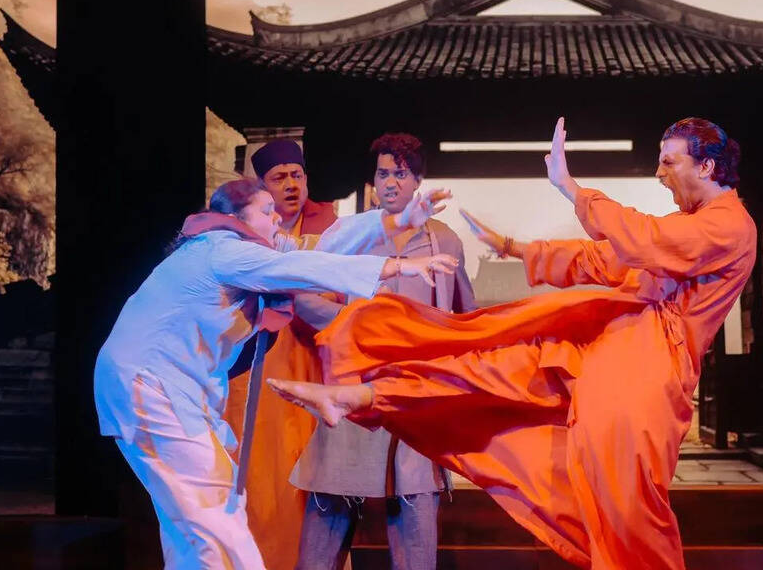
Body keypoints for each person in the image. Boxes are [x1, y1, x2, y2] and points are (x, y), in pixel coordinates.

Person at [269, 117, 758, 570]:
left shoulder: (727, 225)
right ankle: (364, 395)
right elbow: (604, 259)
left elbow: (643, 240)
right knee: (488, 364)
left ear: (706, 166)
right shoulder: (690, 227)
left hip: (644, 376)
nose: (659, 173)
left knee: (627, 509)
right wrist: (512, 247)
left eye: (669, 162)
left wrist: (570, 187)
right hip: (608, 349)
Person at [94, 177, 457, 570]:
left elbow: (321, 248)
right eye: (267, 212)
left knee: (195, 518)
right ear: (238, 218)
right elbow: (300, 265)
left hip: (164, 388)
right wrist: (396, 266)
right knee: (215, 508)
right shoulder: (224, 251)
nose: (277, 219)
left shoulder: (236, 249)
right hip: (150, 386)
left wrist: (397, 221)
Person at [290, 133, 477, 570]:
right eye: (383, 173)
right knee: (326, 520)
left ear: (418, 180)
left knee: (415, 517)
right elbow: (302, 295)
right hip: (351, 392)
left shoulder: (444, 241)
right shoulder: (353, 234)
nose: (390, 183)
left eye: (401, 174)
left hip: (413, 397)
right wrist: (353, 323)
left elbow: (465, 317)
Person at [232, 137, 340, 570]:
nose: (292, 185)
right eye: (279, 178)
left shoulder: (329, 233)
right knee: (259, 480)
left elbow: (337, 300)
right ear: (262, 187)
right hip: (257, 372)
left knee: (311, 482)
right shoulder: (242, 238)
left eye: (297, 175)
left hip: (312, 368)